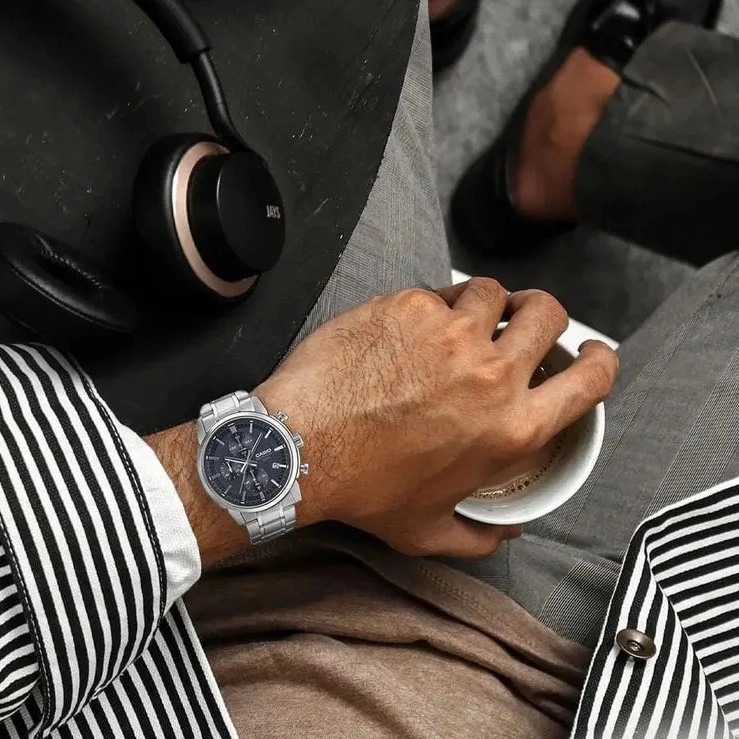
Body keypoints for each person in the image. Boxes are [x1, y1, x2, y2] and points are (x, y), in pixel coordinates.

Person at [0, 2, 737, 738]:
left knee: (336, 37)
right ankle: (566, 149)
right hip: (666, 660)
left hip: (203, 608)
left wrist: (306, 447)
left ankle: (544, 135)